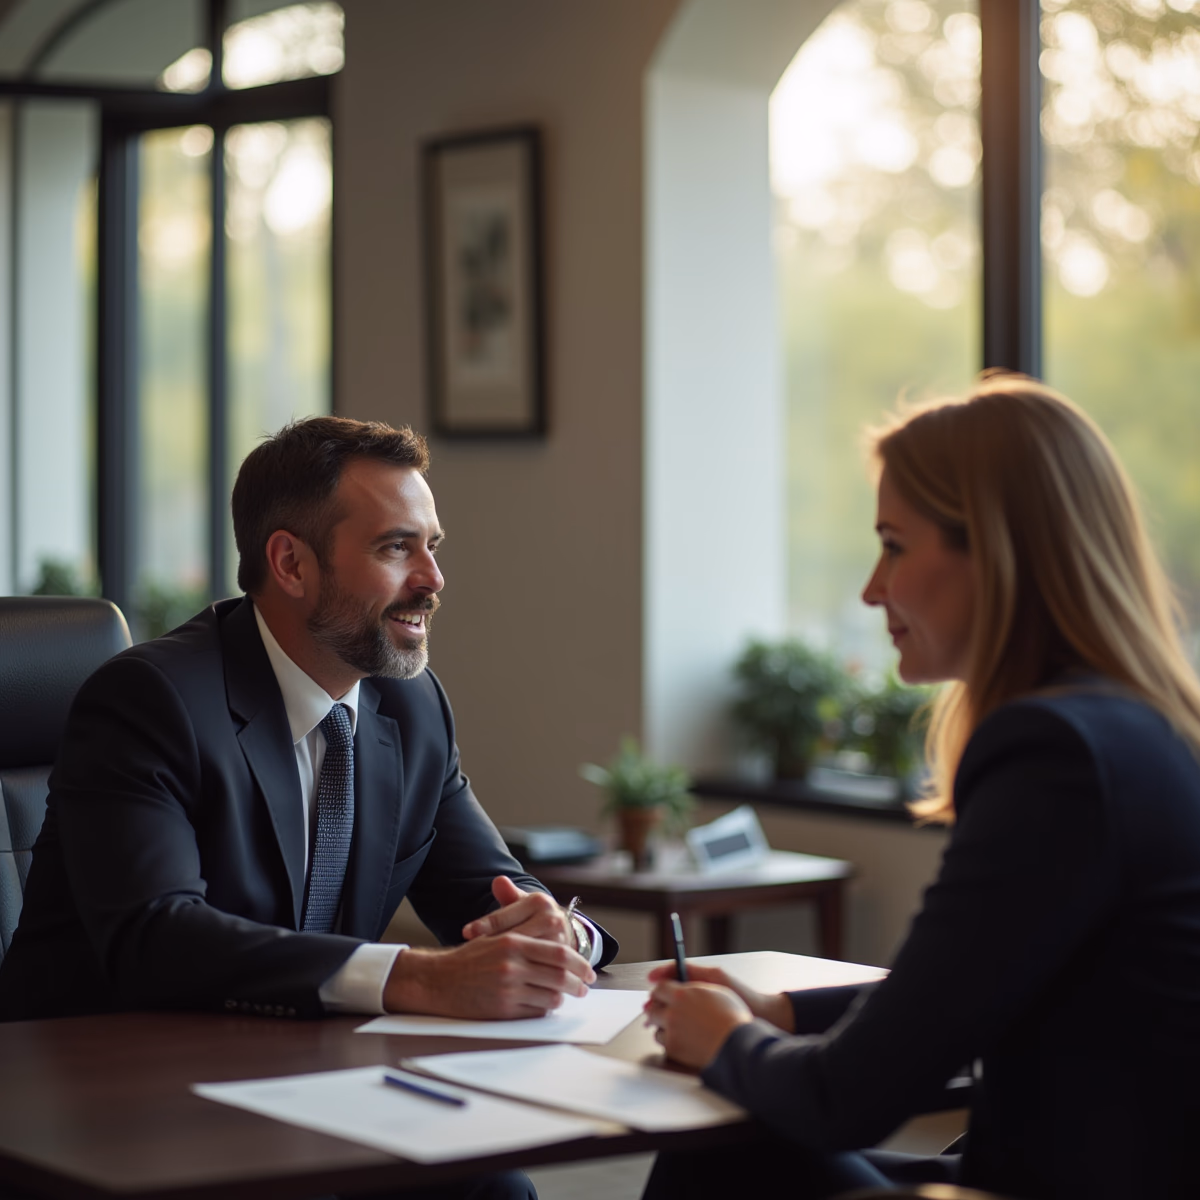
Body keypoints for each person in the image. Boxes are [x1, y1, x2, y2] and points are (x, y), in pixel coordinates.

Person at [644, 373, 1200, 1200]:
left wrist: (727, 1042)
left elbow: (847, 1102)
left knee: (723, 1154)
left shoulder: (1056, 756)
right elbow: (969, 988)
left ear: (997, 549)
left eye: (895, 545)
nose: (874, 588)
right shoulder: (1139, 730)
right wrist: (783, 1015)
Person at [0, 416, 615, 1032]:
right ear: (291, 563)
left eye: (433, 546)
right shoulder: (150, 701)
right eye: (396, 547)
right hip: (98, 1079)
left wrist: (561, 933)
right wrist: (418, 976)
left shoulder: (411, 704)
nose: (432, 579)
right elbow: (157, 937)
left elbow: (494, 894)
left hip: (303, 1071)